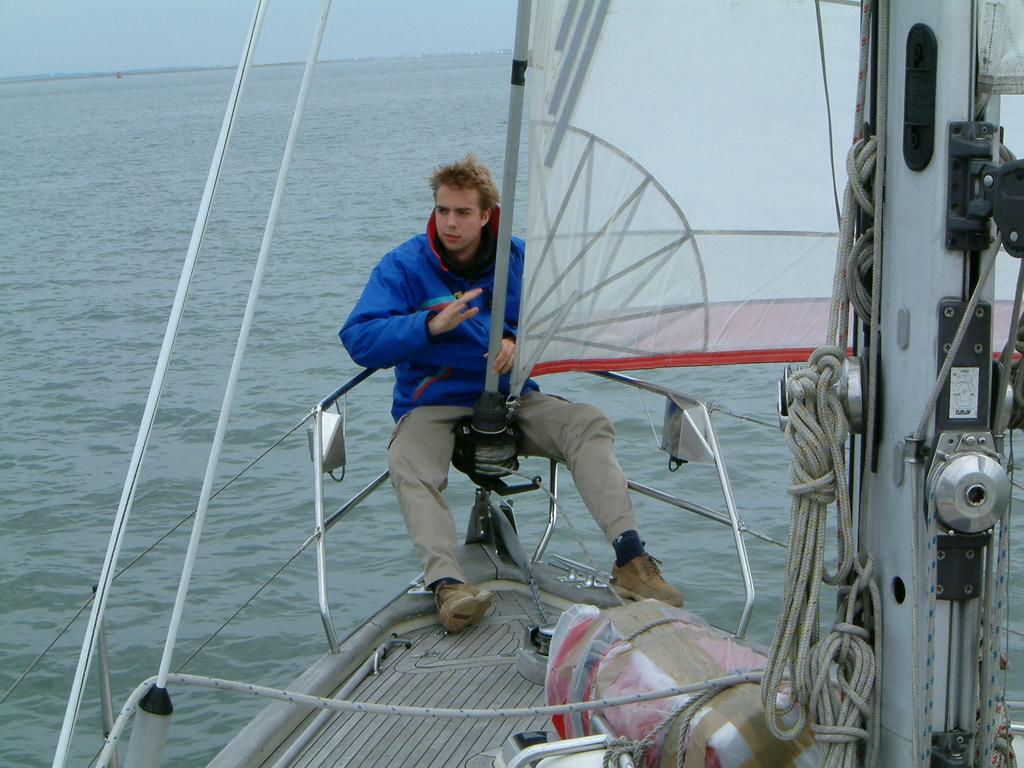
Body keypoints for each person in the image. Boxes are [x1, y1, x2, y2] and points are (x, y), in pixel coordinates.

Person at [340, 154, 683, 633]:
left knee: (587, 423)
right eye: (442, 211)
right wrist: (429, 326)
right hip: (432, 401)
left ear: (486, 215)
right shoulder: (404, 265)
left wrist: (519, 341)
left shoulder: (518, 260)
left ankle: (631, 558)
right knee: (408, 460)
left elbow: (561, 318)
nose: (450, 223)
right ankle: (447, 586)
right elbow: (358, 338)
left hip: (511, 397)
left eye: (462, 213)